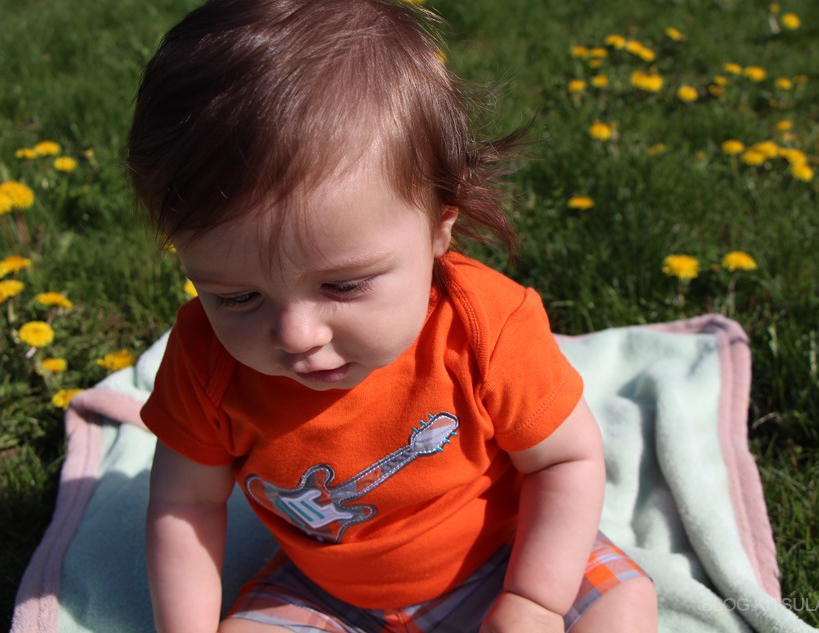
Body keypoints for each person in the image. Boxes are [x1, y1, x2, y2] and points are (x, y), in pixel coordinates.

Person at [127, 0, 658, 631]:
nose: (297, 335)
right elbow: (185, 503)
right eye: (237, 298)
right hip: (323, 587)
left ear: (439, 228)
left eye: (344, 285)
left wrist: (537, 600)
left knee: (623, 604)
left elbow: (565, 460)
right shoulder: (205, 362)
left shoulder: (486, 330)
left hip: (506, 556)